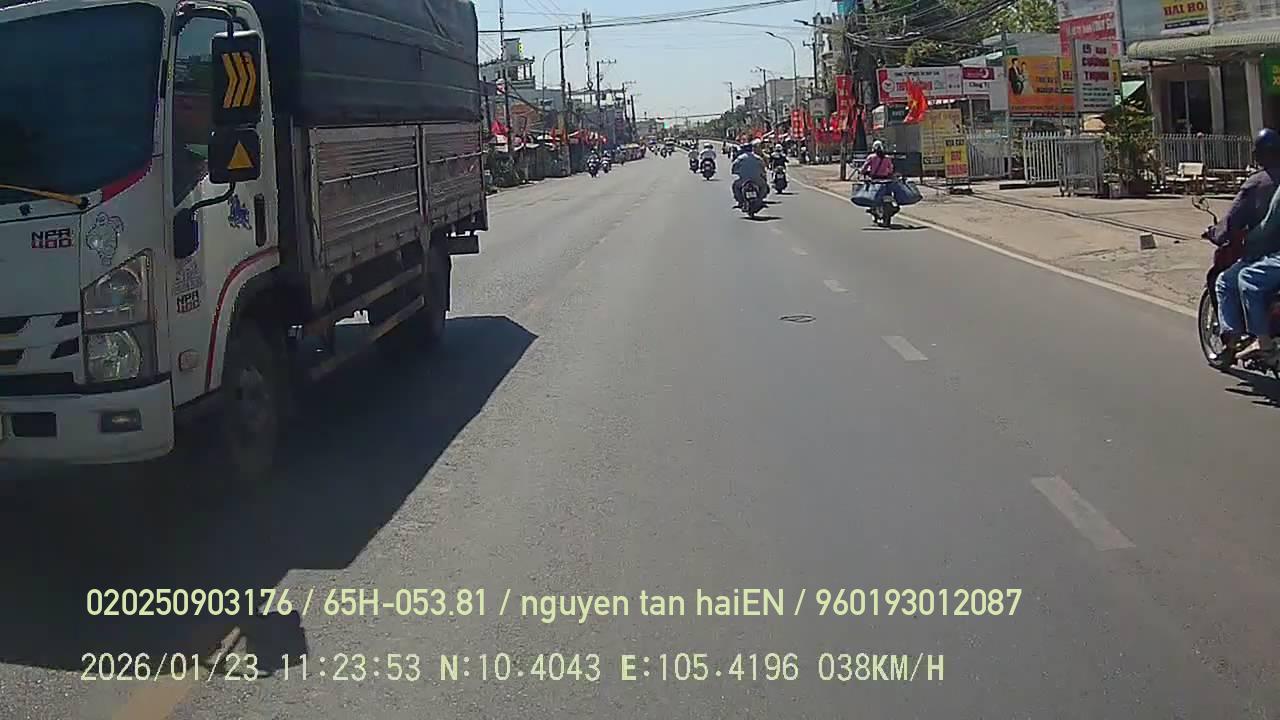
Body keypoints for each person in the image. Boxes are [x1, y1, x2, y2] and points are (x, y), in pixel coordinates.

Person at [1212, 128, 1280, 360]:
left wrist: (1219, 234)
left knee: (1230, 280)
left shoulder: (1255, 184)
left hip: (1265, 254)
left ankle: (1243, 340)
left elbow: (1237, 220)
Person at [731, 140, 769, 207]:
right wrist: (762, 173)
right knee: (763, 186)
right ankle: (760, 199)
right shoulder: (757, 157)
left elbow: (734, 166)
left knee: (735, 186)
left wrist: (735, 172)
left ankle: (740, 201)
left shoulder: (740, 158)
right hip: (757, 179)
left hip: (743, 179)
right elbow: (763, 166)